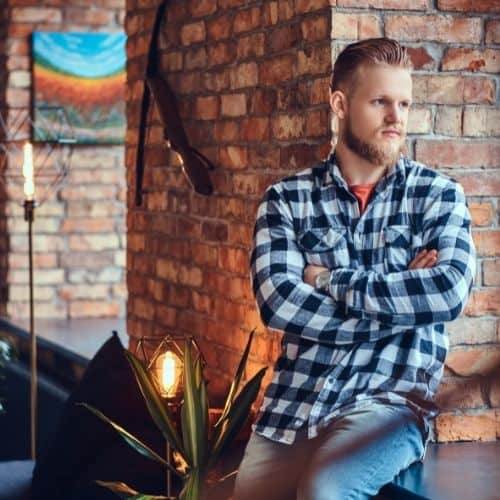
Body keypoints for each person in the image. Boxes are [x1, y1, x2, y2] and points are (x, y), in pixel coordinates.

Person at [234, 38, 476, 500]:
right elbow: (279, 304)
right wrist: (401, 306)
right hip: (295, 405)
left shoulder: (438, 196)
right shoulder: (287, 200)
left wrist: (328, 280)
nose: (396, 117)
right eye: (381, 101)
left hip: (389, 405)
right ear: (340, 104)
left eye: (404, 102)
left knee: (327, 489)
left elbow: (447, 293)